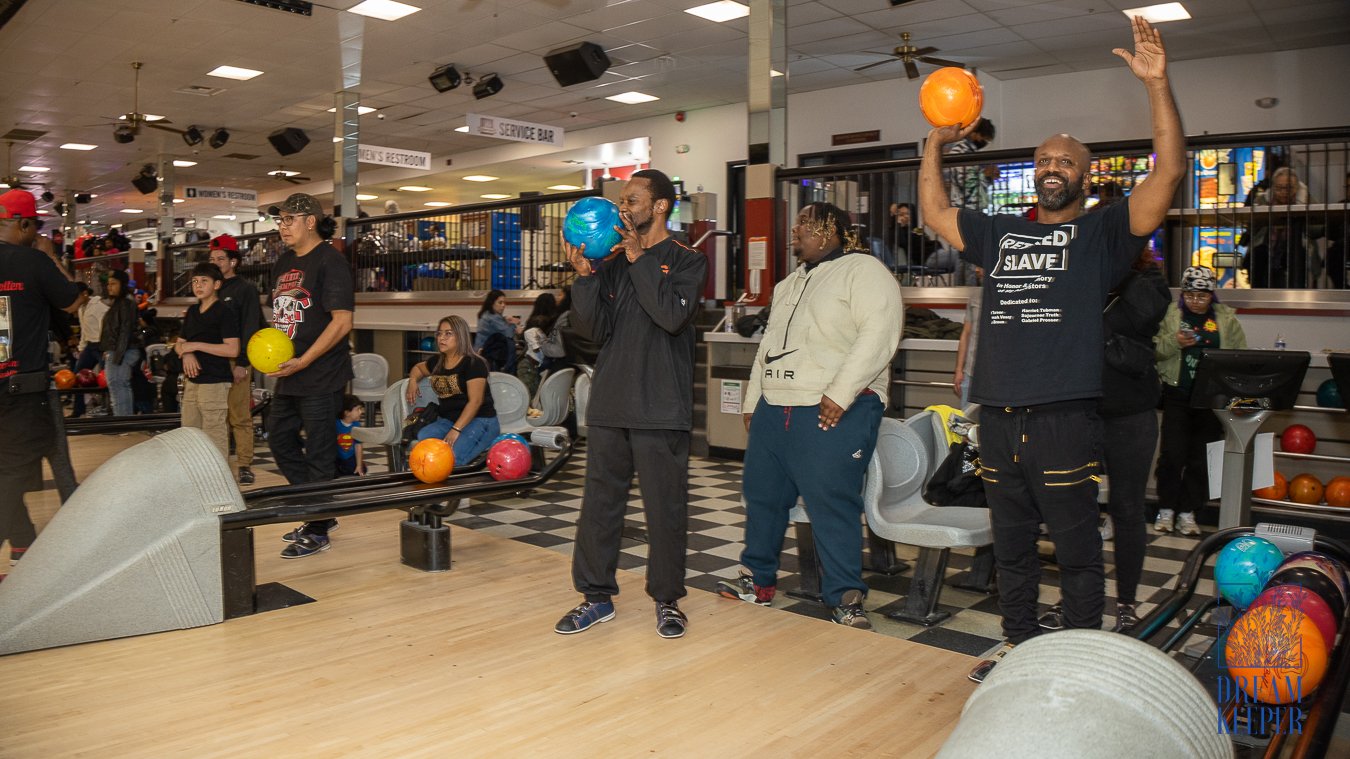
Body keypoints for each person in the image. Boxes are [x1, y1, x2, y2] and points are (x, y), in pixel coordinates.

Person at [919, 16, 1184, 682]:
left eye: (1066, 161)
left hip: (1064, 416)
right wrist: (933, 146)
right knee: (1010, 547)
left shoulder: (1103, 234)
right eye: (1043, 160)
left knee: (1075, 551)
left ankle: (1079, 657)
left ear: (1086, 177)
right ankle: (1017, 643)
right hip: (999, 415)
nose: (1052, 168)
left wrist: (1158, 85)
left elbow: (1171, 171)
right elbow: (935, 215)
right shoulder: (1001, 231)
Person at [717, 202, 903, 630]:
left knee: (831, 504)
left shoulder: (866, 271)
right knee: (763, 500)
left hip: (835, 406)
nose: (796, 229)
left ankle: (844, 598)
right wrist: (753, 401)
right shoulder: (788, 283)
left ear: (835, 230)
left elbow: (880, 334)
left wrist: (840, 392)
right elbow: (768, 348)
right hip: (776, 408)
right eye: (797, 223)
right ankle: (757, 581)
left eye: (807, 223)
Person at [554, 168, 707, 639]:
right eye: (621, 201)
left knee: (665, 510)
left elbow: (671, 317)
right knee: (599, 507)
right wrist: (584, 279)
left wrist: (640, 259)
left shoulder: (687, 260)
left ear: (660, 205)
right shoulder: (612, 262)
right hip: (611, 403)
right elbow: (592, 332)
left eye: (633, 200)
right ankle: (595, 597)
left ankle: (667, 601)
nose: (623, 209)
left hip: (661, 406)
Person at [1039, 248, 1171, 635]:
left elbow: (1147, 315)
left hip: (1131, 414)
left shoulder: (1147, 280)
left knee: (1127, 510)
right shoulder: (1075, 275)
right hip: (1079, 411)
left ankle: (1127, 604)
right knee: (1076, 509)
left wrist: (1115, 268)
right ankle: (1075, 599)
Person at [265, 193, 355, 559]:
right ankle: (320, 507)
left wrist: (305, 359)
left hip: (321, 373)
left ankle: (317, 527)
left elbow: (343, 322)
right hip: (291, 371)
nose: (283, 227)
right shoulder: (284, 263)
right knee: (279, 440)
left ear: (310, 221)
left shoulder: (330, 262)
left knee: (319, 452)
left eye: (289, 219)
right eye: (280, 220)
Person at [0, 189, 80, 581]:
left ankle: (22, 547)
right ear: (24, 224)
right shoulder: (33, 261)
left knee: (7, 471)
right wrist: (49, 257)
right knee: (14, 473)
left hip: (6, 383)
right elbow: (72, 302)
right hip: (24, 391)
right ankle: (24, 545)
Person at [1152, 266, 1247, 536]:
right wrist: (1175, 343)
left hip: (1211, 398)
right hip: (1177, 395)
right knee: (1172, 455)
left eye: (1202, 296)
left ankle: (1188, 511)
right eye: (1190, 295)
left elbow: (1239, 354)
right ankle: (1166, 508)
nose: (1195, 301)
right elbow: (1155, 350)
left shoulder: (1226, 320)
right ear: (1183, 294)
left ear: (1211, 295)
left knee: (1201, 459)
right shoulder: (1171, 315)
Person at [403, 315, 500, 464]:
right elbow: (418, 368)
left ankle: (478, 456)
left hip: (481, 420)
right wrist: (412, 380)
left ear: (460, 336)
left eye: (448, 333)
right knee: (424, 437)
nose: (441, 338)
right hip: (449, 420)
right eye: (439, 333)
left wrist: (456, 430)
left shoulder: (474, 363)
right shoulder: (437, 362)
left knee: (452, 458)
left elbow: (476, 401)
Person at [210, 233, 264, 484]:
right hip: (211, 361)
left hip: (235, 362)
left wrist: (243, 362)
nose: (215, 263)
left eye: (220, 258)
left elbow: (251, 327)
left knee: (239, 415)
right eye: (212, 259)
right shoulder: (210, 287)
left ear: (234, 261)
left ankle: (244, 464)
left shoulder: (245, 289)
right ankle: (214, 463)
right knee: (213, 415)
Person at [174, 263, 240, 460]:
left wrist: (195, 346)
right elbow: (179, 344)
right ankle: (195, 478)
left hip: (215, 381)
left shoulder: (224, 312)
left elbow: (232, 349)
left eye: (204, 281)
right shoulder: (193, 311)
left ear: (217, 284)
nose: (198, 285)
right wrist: (186, 353)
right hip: (192, 380)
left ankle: (219, 480)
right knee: (189, 431)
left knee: (214, 432)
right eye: (195, 281)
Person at [1243, 167, 1317, 288]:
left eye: (1288, 188)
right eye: (1279, 188)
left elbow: (1317, 229)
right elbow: (1251, 227)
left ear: (1297, 187)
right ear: (1273, 187)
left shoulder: (1306, 200)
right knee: (1258, 254)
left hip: (1296, 248)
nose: (1283, 192)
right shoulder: (1262, 200)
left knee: (1297, 253)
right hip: (1266, 246)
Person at [100, 269, 141, 416]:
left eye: (114, 284)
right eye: (108, 284)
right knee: (118, 386)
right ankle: (123, 421)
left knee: (118, 386)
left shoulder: (125, 304)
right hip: (118, 350)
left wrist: (117, 356)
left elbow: (125, 331)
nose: (110, 287)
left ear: (122, 284)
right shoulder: (119, 303)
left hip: (122, 351)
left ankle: (122, 422)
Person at [71, 281, 107, 418]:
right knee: (77, 377)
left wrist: (105, 349)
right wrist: (81, 348)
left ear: (85, 294)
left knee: (104, 379)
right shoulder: (81, 308)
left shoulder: (99, 307)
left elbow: (105, 329)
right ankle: (78, 410)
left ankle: (106, 409)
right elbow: (84, 331)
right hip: (90, 346)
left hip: (101, 346)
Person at [518, 292, 564, 395]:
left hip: (534, 362)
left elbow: (524, 339)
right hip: (550, 361)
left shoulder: (535, 321)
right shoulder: (555, 321)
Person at [952, 266, 984, 406]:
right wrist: (959, 370)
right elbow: (966, 334)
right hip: (970, 373)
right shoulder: (975, 296)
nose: (976, 270)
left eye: (980, 266)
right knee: (966, 422)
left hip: (995, 376)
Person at [474, 289, 520, 373]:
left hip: (481, 353)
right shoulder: (492, 317)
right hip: (487, 356)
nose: (503, 305)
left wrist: (505, 319)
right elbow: (508, 333)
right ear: (492, 303)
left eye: (504, 303)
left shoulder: (487, 314)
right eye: (500, 302)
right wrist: (513, 324)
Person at [336, 394, 366, 477]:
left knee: (362, 469)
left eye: (361, 409)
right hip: (337, 457)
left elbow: (358, 446)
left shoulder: (357, 425)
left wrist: (359, 465)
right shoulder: (336, 424)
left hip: (350, 457)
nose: (361, 412)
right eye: (358, 409)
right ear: (347, 413)